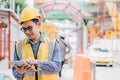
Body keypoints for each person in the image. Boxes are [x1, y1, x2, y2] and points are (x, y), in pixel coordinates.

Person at [12, 6, 61, 80]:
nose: (27, 32)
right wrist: (19, 73)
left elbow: (57, 67)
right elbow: (15, 74)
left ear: (38, 25)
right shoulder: (18, 46)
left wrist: (37, 62)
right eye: (24, 29)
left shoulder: (53, 44)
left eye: (29, 28)